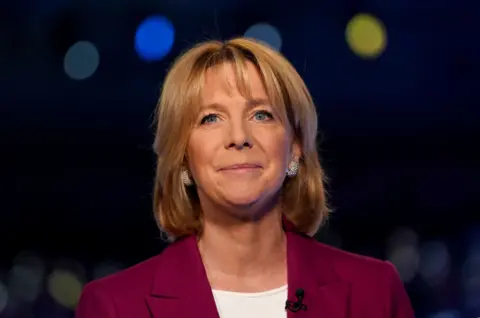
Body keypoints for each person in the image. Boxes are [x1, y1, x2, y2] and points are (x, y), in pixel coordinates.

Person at [75, 37, 414, 318]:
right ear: (182, 158)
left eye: (261, 114)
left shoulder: (375, 292)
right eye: (210, 119)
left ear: (294, 148)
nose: (238, 136)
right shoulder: (114, 306)